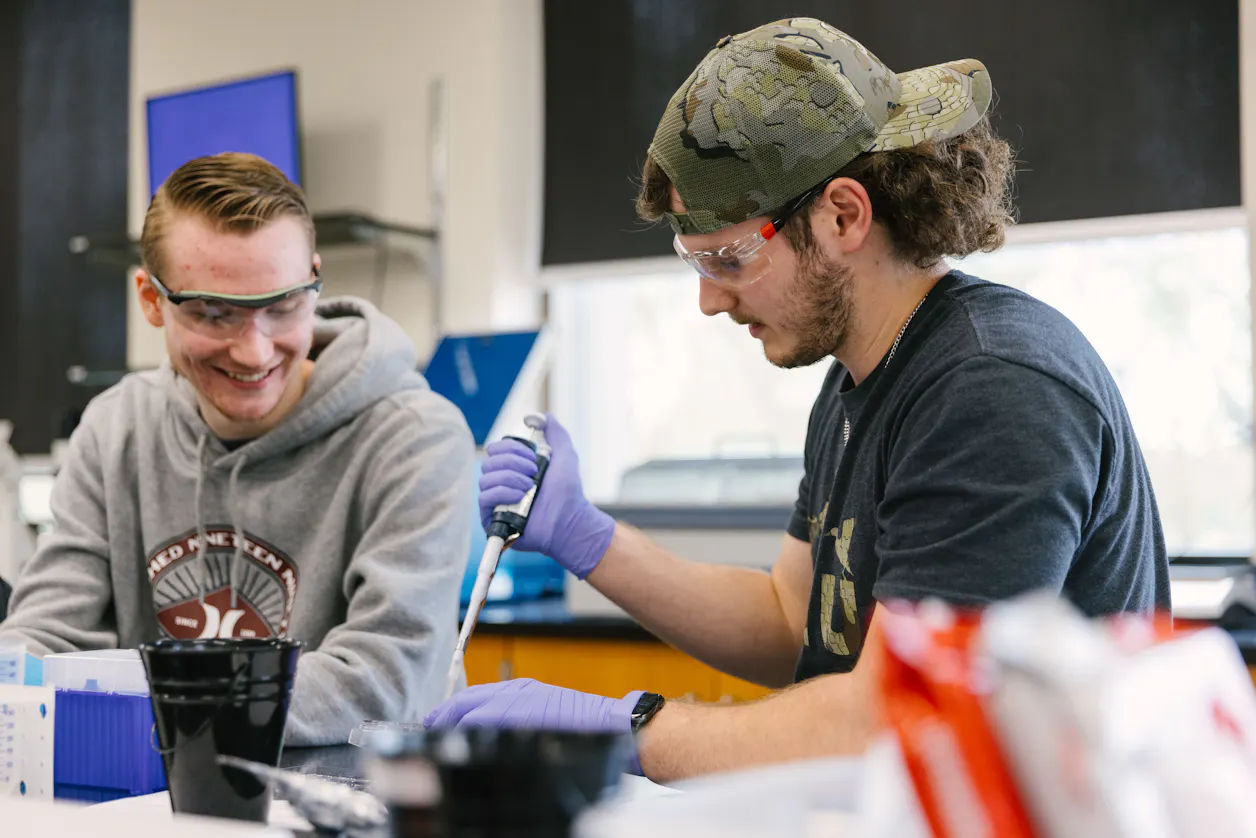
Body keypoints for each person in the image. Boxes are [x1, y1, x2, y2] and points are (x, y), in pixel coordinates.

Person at [424, 18, 1170, 781]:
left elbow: (893, 719)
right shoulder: (859, 377)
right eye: (694, 262)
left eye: (729, 258)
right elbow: (793, 620)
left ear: (843, 215)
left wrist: (620, 731)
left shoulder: (994, 388)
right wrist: (589, 540)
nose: (710, 302)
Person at [0, 152, 476, 745]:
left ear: (315, 280)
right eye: (214, 314)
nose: (254, 351)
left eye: (283, 307)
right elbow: (41, 645)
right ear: (151, 299)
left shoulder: (414, 439)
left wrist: (138, 703)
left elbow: (382, 682)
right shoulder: (114, 429)